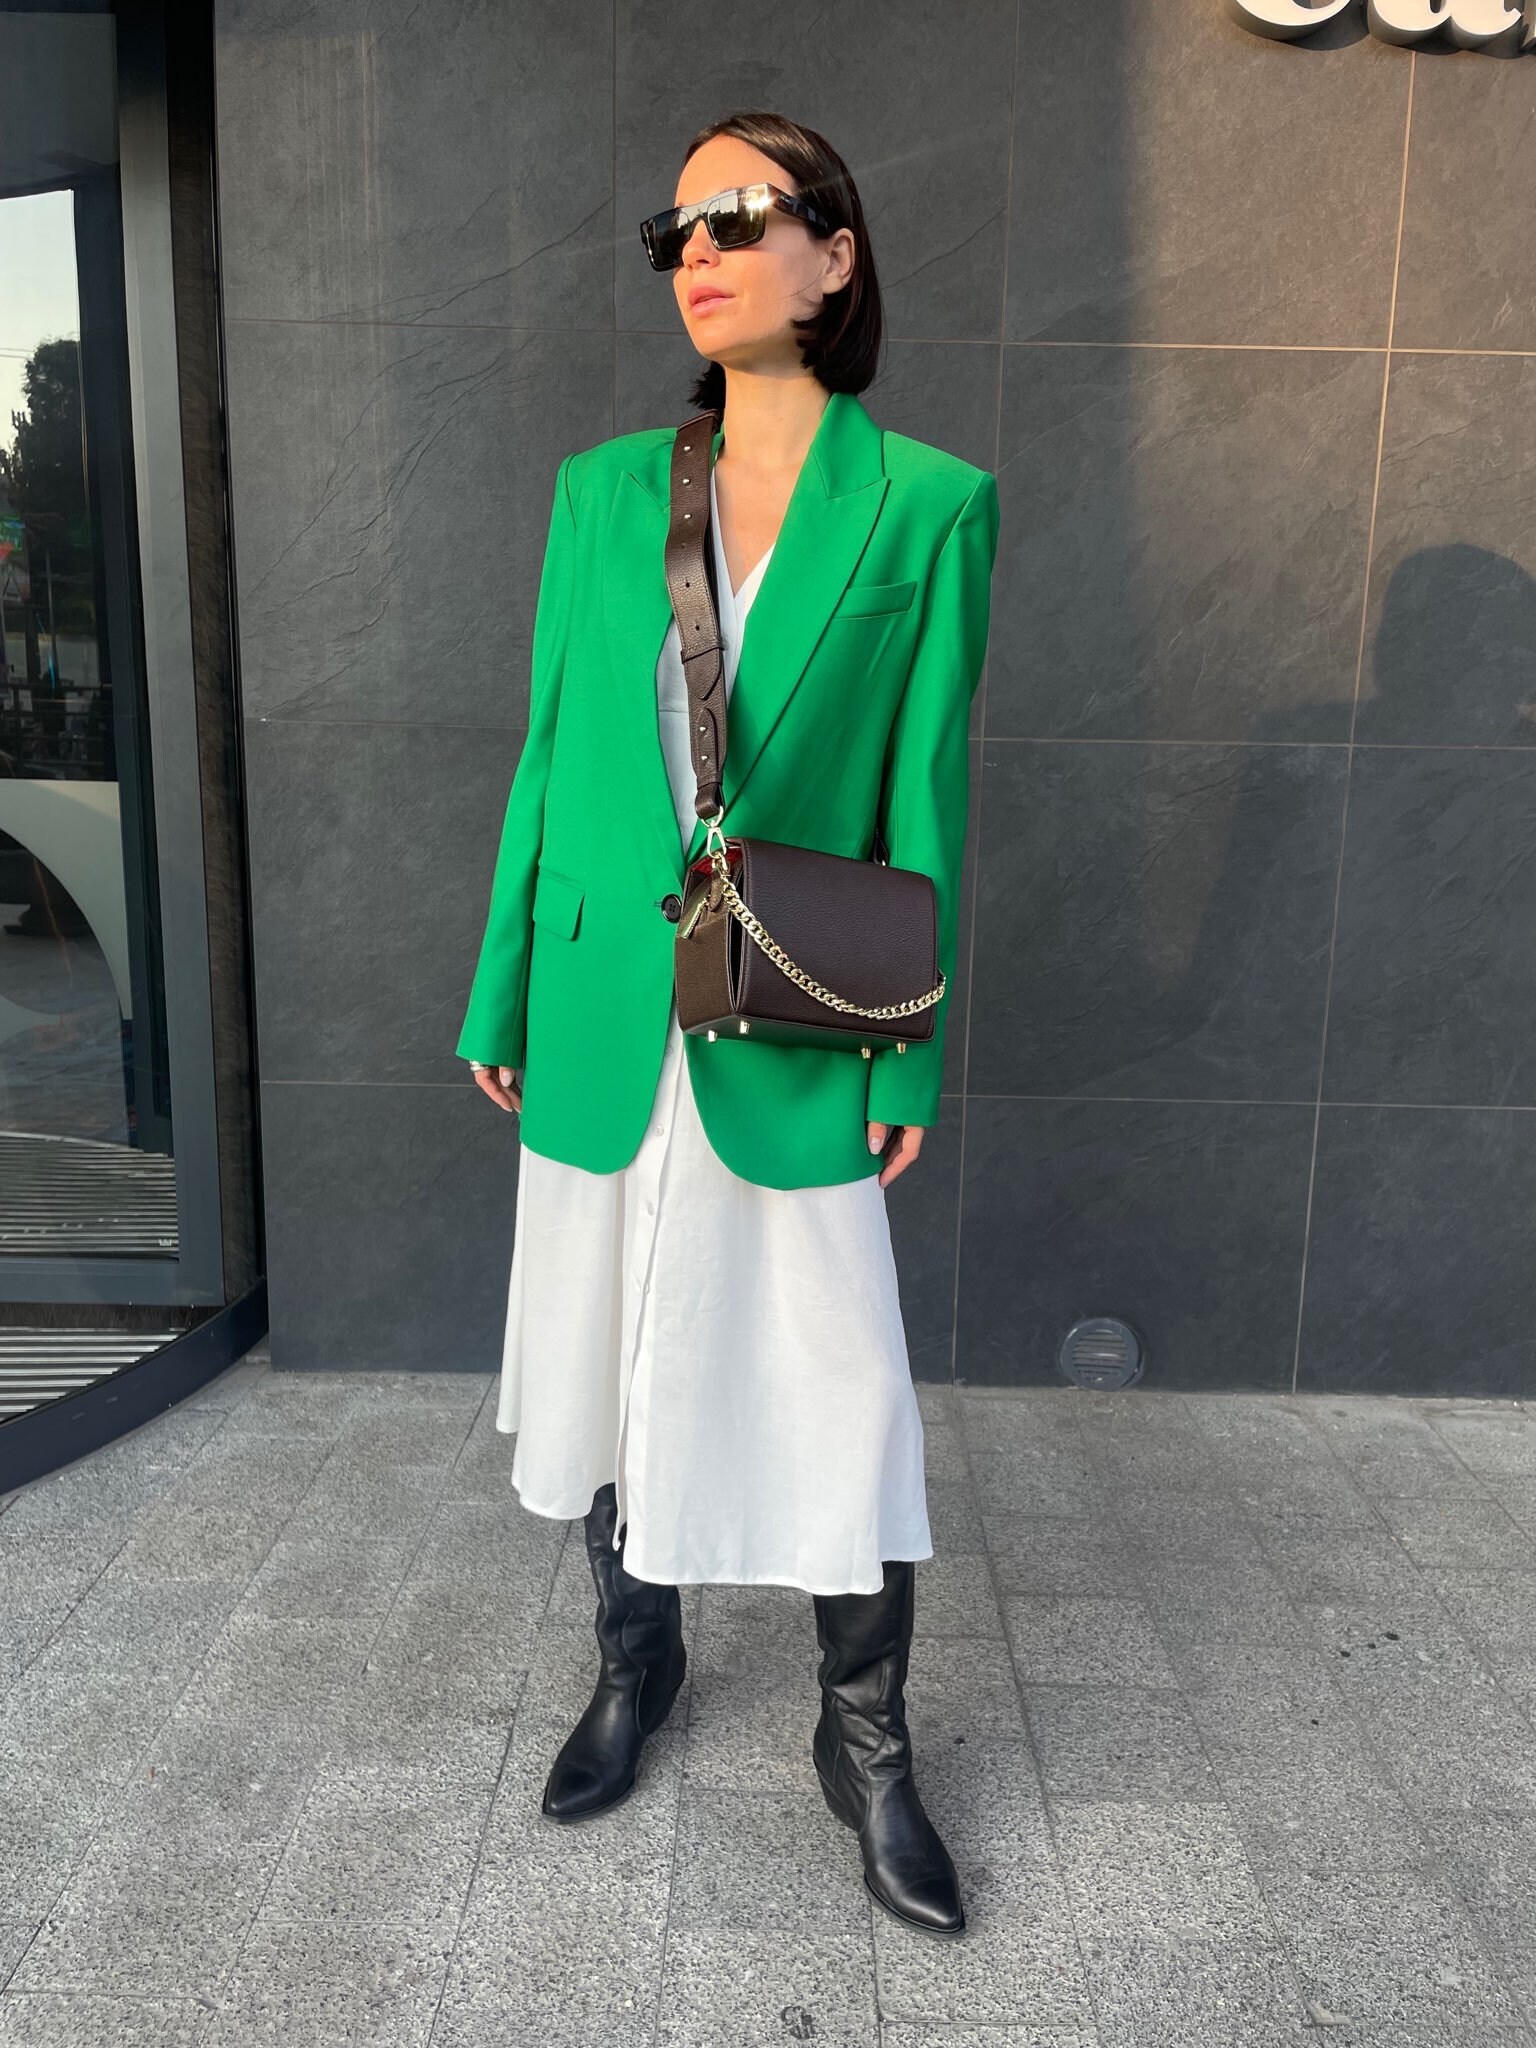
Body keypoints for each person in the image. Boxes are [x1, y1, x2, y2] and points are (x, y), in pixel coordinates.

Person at [457, 110, 1000, 1939]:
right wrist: (503, 983)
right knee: (612, 1342)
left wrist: (907, 1042)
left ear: (835, 255)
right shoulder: (603, 492)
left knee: (840, 1379)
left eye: (742, 215)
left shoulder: (928, 504)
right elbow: (552, 750)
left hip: (791, 1007)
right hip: (608, 996)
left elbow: (923, 800)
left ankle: (869, 1743)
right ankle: (639, 1664)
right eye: (675, 227)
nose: (698, 249)